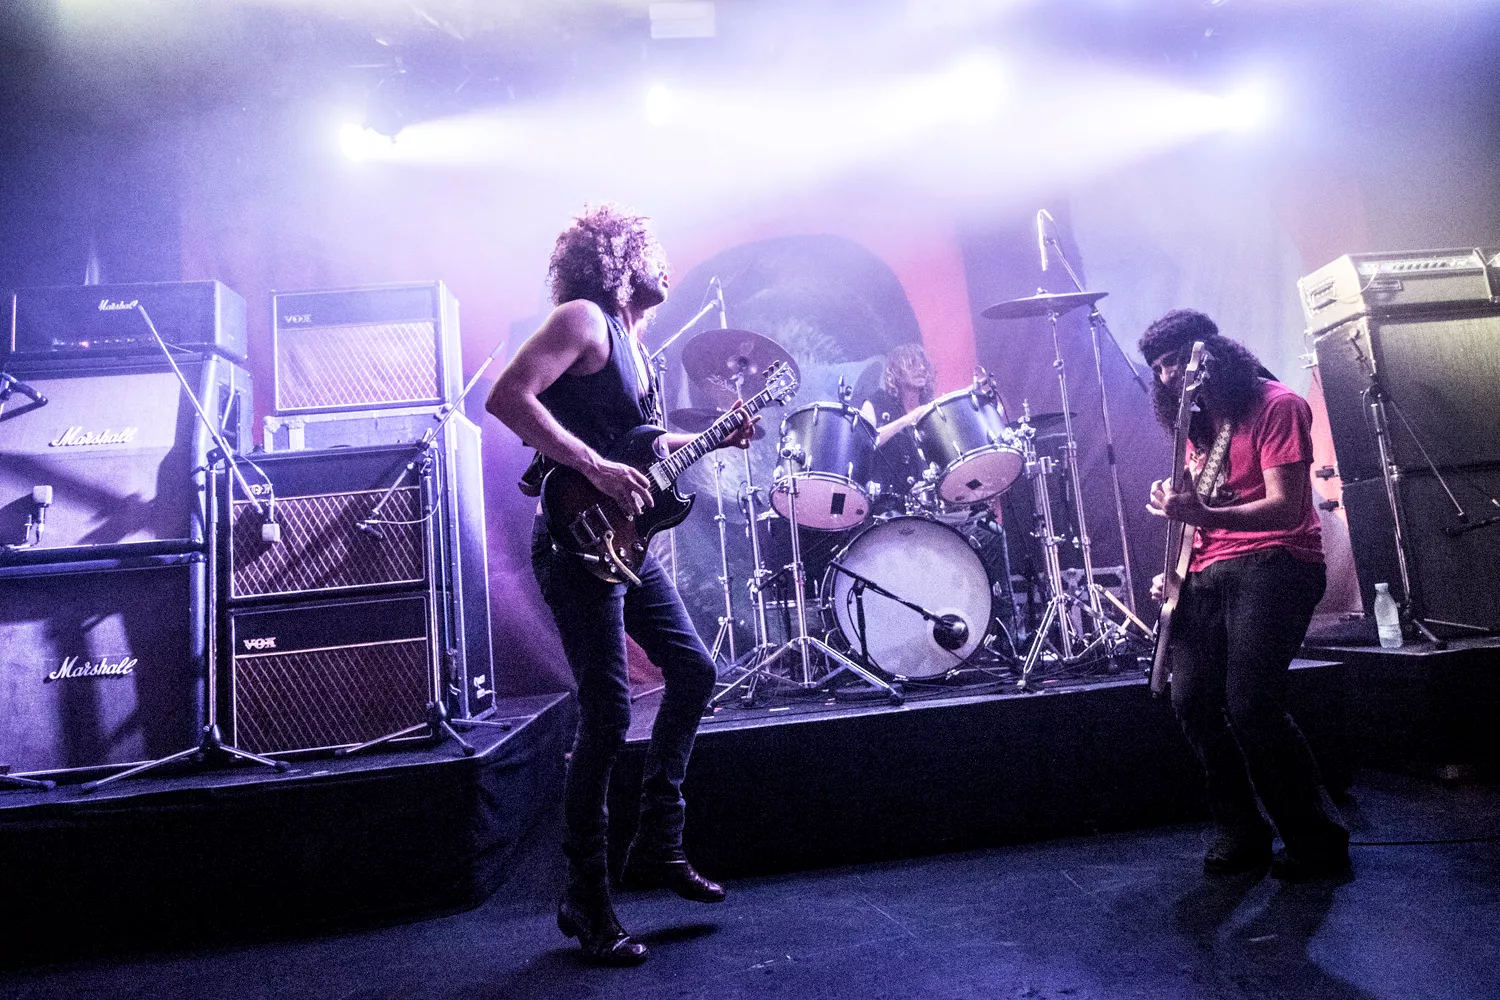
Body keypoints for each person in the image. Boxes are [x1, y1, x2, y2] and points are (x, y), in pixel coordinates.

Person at [486, 204, 756, 965]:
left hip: (626, 542)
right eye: (652, 250)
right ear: (620, 258)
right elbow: (507, 397)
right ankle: (586, 896)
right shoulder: (581, 318)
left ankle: (661, 845)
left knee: (694, 671)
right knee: (606, 715)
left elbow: (638, 445)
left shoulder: (637, 347)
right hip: (575, 539)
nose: (665, 264)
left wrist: (710, 436)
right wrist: (592, 466)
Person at [1141, 308, 1350, 882]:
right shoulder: (1200, 427)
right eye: (1157, 369)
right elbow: (1200, 515)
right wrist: (1176, 559)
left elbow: (1286, 508)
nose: (1167, 376)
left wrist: (1203, 512)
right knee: (1191, 702)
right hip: (1207, 572)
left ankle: (1316, 840)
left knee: (1252, 705)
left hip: (1276, 562)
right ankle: (1242, 831)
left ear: (1209, 353)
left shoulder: (1278, 405)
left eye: (1175, 361)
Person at [860, 342, 938, 506]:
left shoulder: (931, 409)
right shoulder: (877, 402)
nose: (921, 368)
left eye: (923, 364)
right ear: (896, 371)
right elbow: (866, 442)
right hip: (889, 506)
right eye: (913, 364)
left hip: (933, 504)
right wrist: (908, 419)